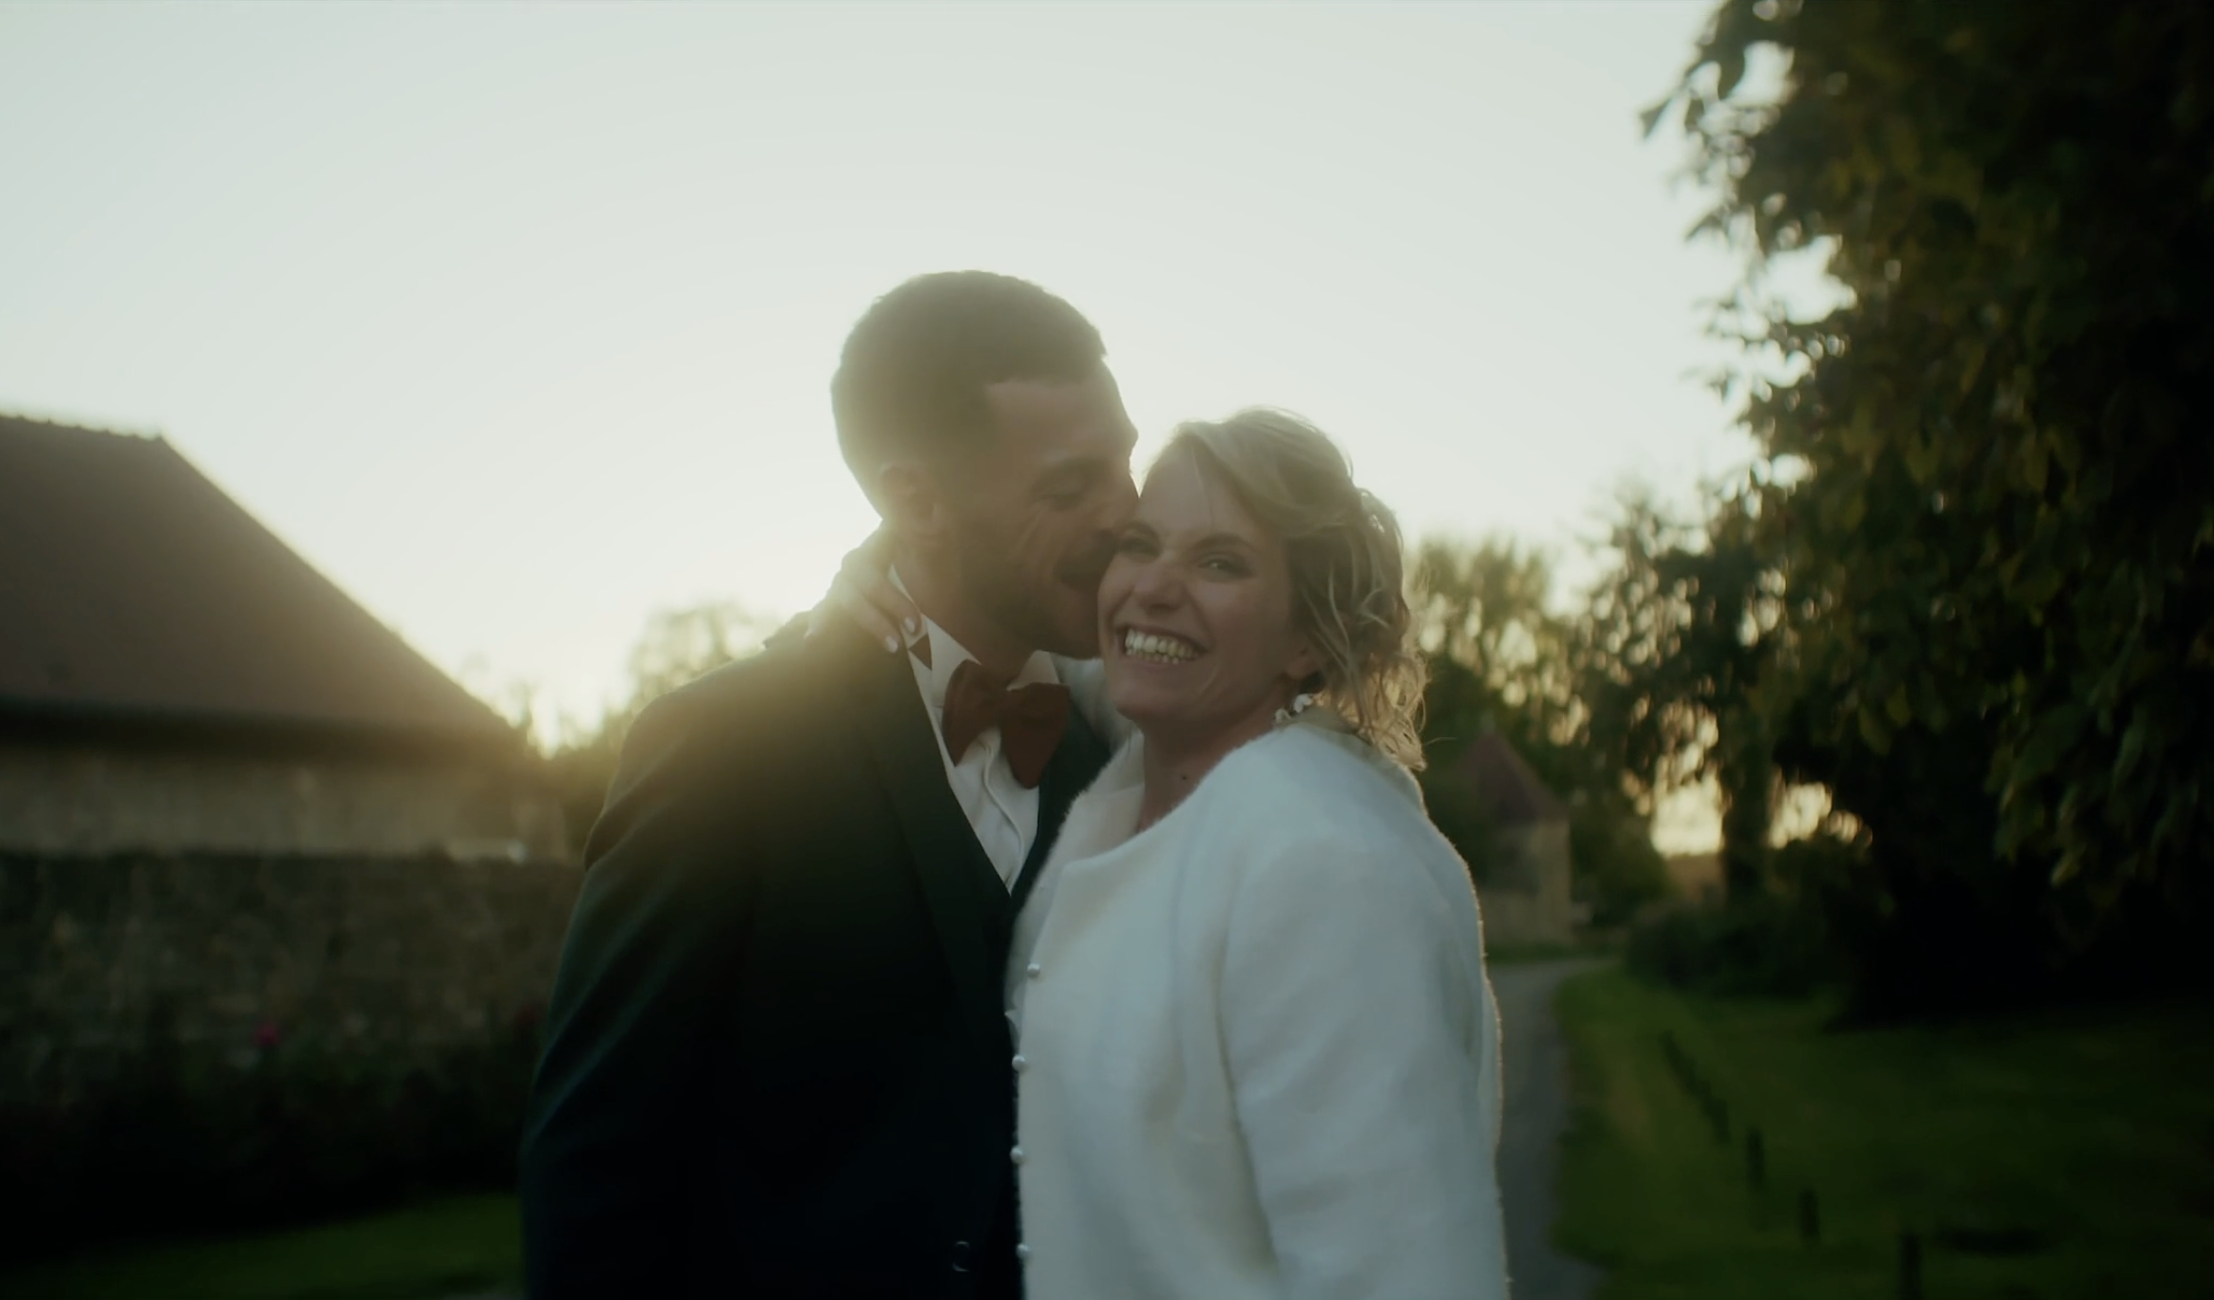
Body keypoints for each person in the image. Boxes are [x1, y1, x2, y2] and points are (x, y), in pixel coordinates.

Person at [518, 270, 1140, 1298]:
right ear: (913, 501)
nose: (1127, 516)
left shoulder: (1122, 757)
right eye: (1071, 489)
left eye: (1127, 463)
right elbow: (596, 1160)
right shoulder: (725, 748)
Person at [837, 409, 1509, 1299]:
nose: (1153, 587)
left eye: (1220, 562)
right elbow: (1086, 649)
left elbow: (1400, 1271)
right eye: (1139, 544)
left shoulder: (1323, 868)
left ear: (1309, 635)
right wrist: (889, 574)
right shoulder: (1162, 761)